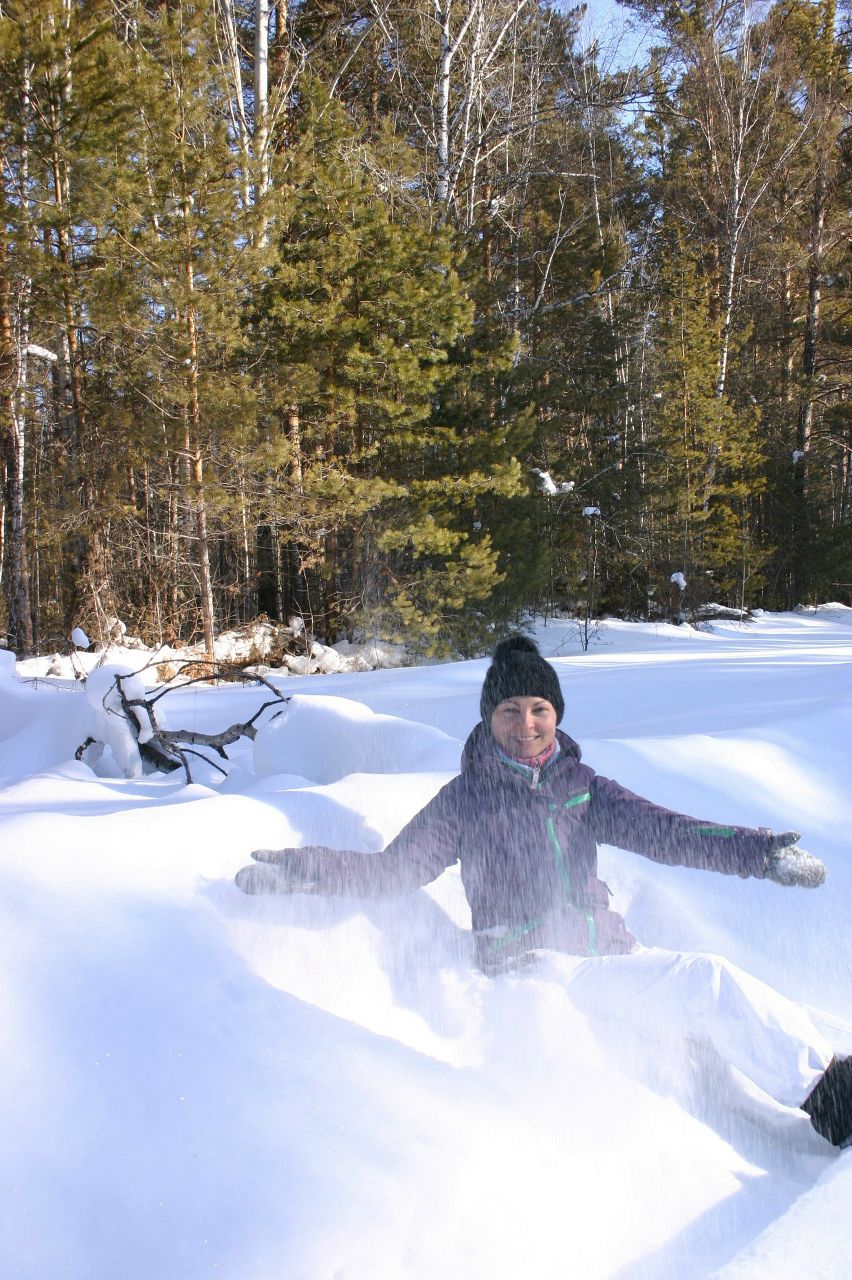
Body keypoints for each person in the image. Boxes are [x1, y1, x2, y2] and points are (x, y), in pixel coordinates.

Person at [235, 636, 850, 1145]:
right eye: (509, 711)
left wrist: (758, 854)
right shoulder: (465, 801)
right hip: (536, 966)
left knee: (710, 1015)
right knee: (704, 983)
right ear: (488, 718)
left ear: (556, 714)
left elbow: (668, 833)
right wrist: (305, 869)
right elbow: (394, 872)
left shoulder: (582, 787)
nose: (525, 725)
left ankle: (808, 1080)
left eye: (538, 709)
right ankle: (836, 1104)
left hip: (606, 954)